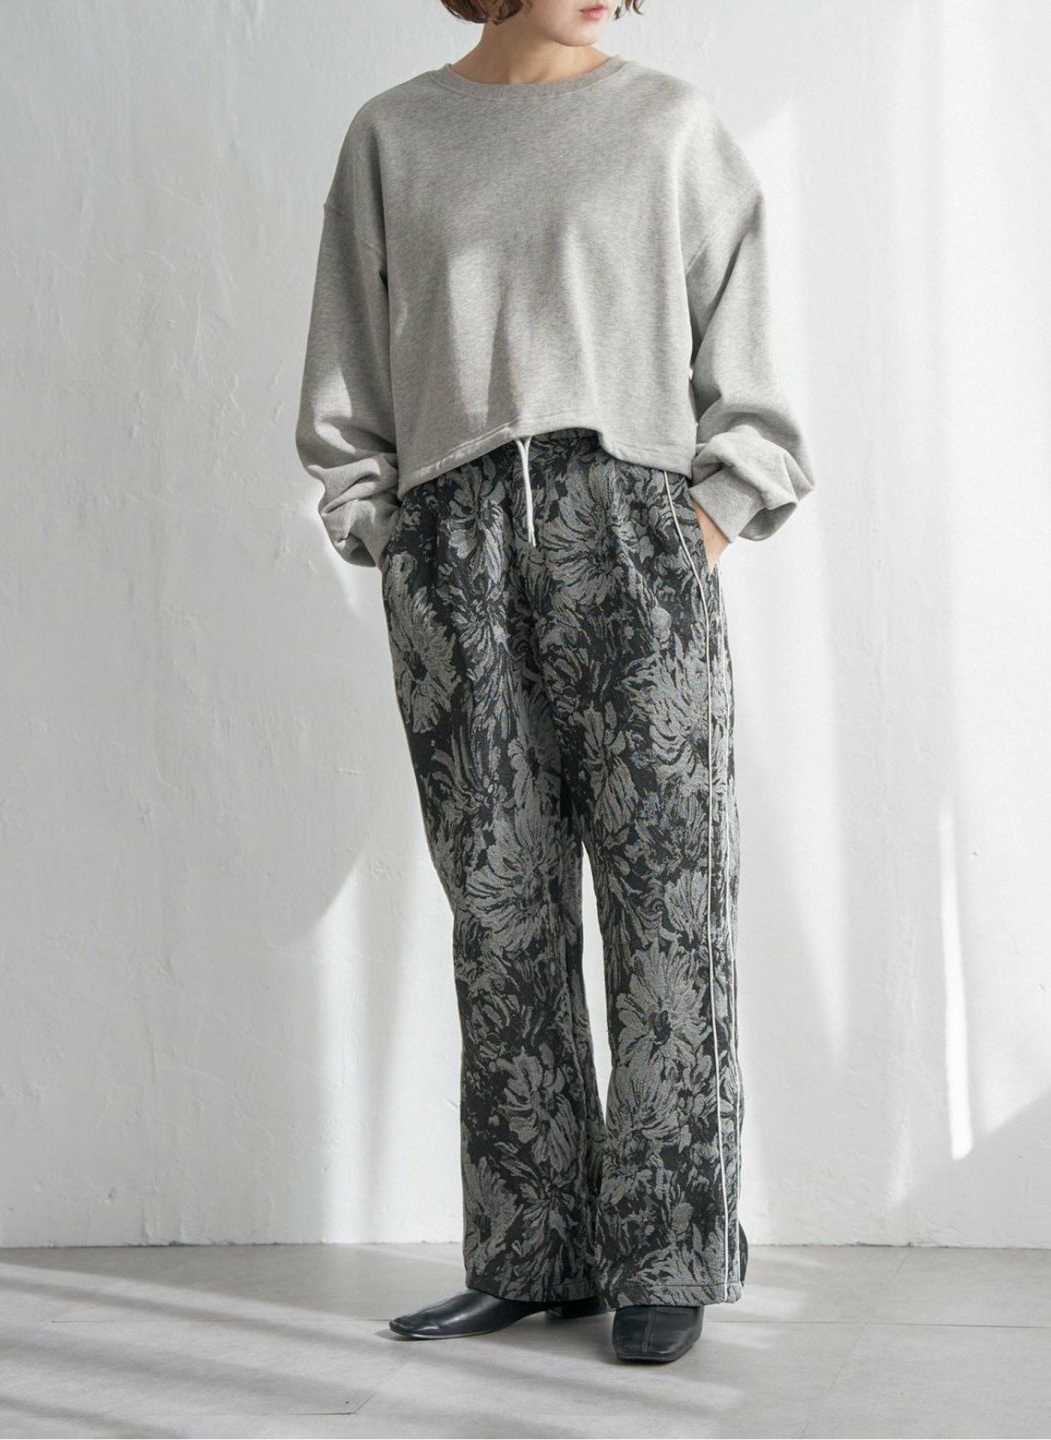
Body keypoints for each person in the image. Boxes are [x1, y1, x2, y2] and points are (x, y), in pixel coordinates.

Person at [295, 0, 815, 1365]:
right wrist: (390, 536)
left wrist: (695, 529)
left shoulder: (667, 127)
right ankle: (534, 1256)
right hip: (453, 546)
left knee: (668, 910)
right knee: (500, 913)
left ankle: (665, 1258)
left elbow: (753, 377)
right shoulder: (394, 139)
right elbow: (348, 375)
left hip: (631, 533)